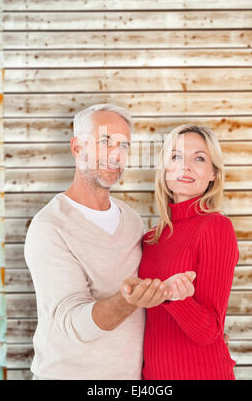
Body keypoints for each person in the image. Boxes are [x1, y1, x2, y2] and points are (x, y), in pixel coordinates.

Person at [24, 103, 195, 380]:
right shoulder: (49, 227)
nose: (117, 155)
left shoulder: (132, 221)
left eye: (124, 146)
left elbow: (143, 296)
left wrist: (166, 290)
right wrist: (128, 301)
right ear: (77, 147)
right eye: (105, 141)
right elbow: (72, 323)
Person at [122, 124, 240, 380]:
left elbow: (210, 332)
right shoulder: (151, 238)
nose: (185, 166)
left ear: (213, 174)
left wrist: (177, 299)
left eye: (199, 158)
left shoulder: (216, 227)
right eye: (175, 156)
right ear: (164, 170)